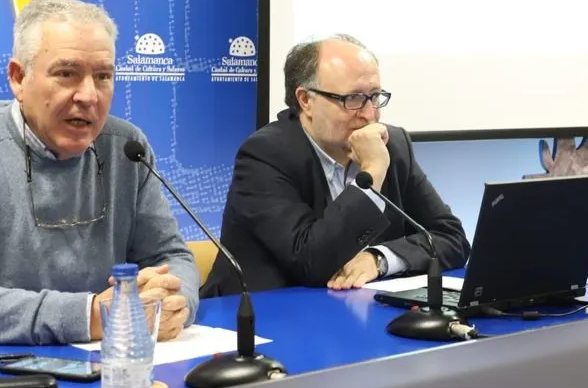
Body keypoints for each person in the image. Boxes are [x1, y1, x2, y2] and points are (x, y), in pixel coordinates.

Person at [0, 0, 200, 345]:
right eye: (67, 74)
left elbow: (171, 257)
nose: (89, 96)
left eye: (104, 76)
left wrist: (172, 304)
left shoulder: (127, 147)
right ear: (18, 78)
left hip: (106, 365)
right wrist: (91, 316)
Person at [201, 34, 471, 297]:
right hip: (266, 318)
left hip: (354, 313)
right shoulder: (265, 155)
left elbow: (452, 238)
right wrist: (373, 171)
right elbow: (311, 262)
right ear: (306, 100)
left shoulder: (393, 144)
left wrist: (378, 259)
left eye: (375, 96)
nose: (369, 114)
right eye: (352, 99)